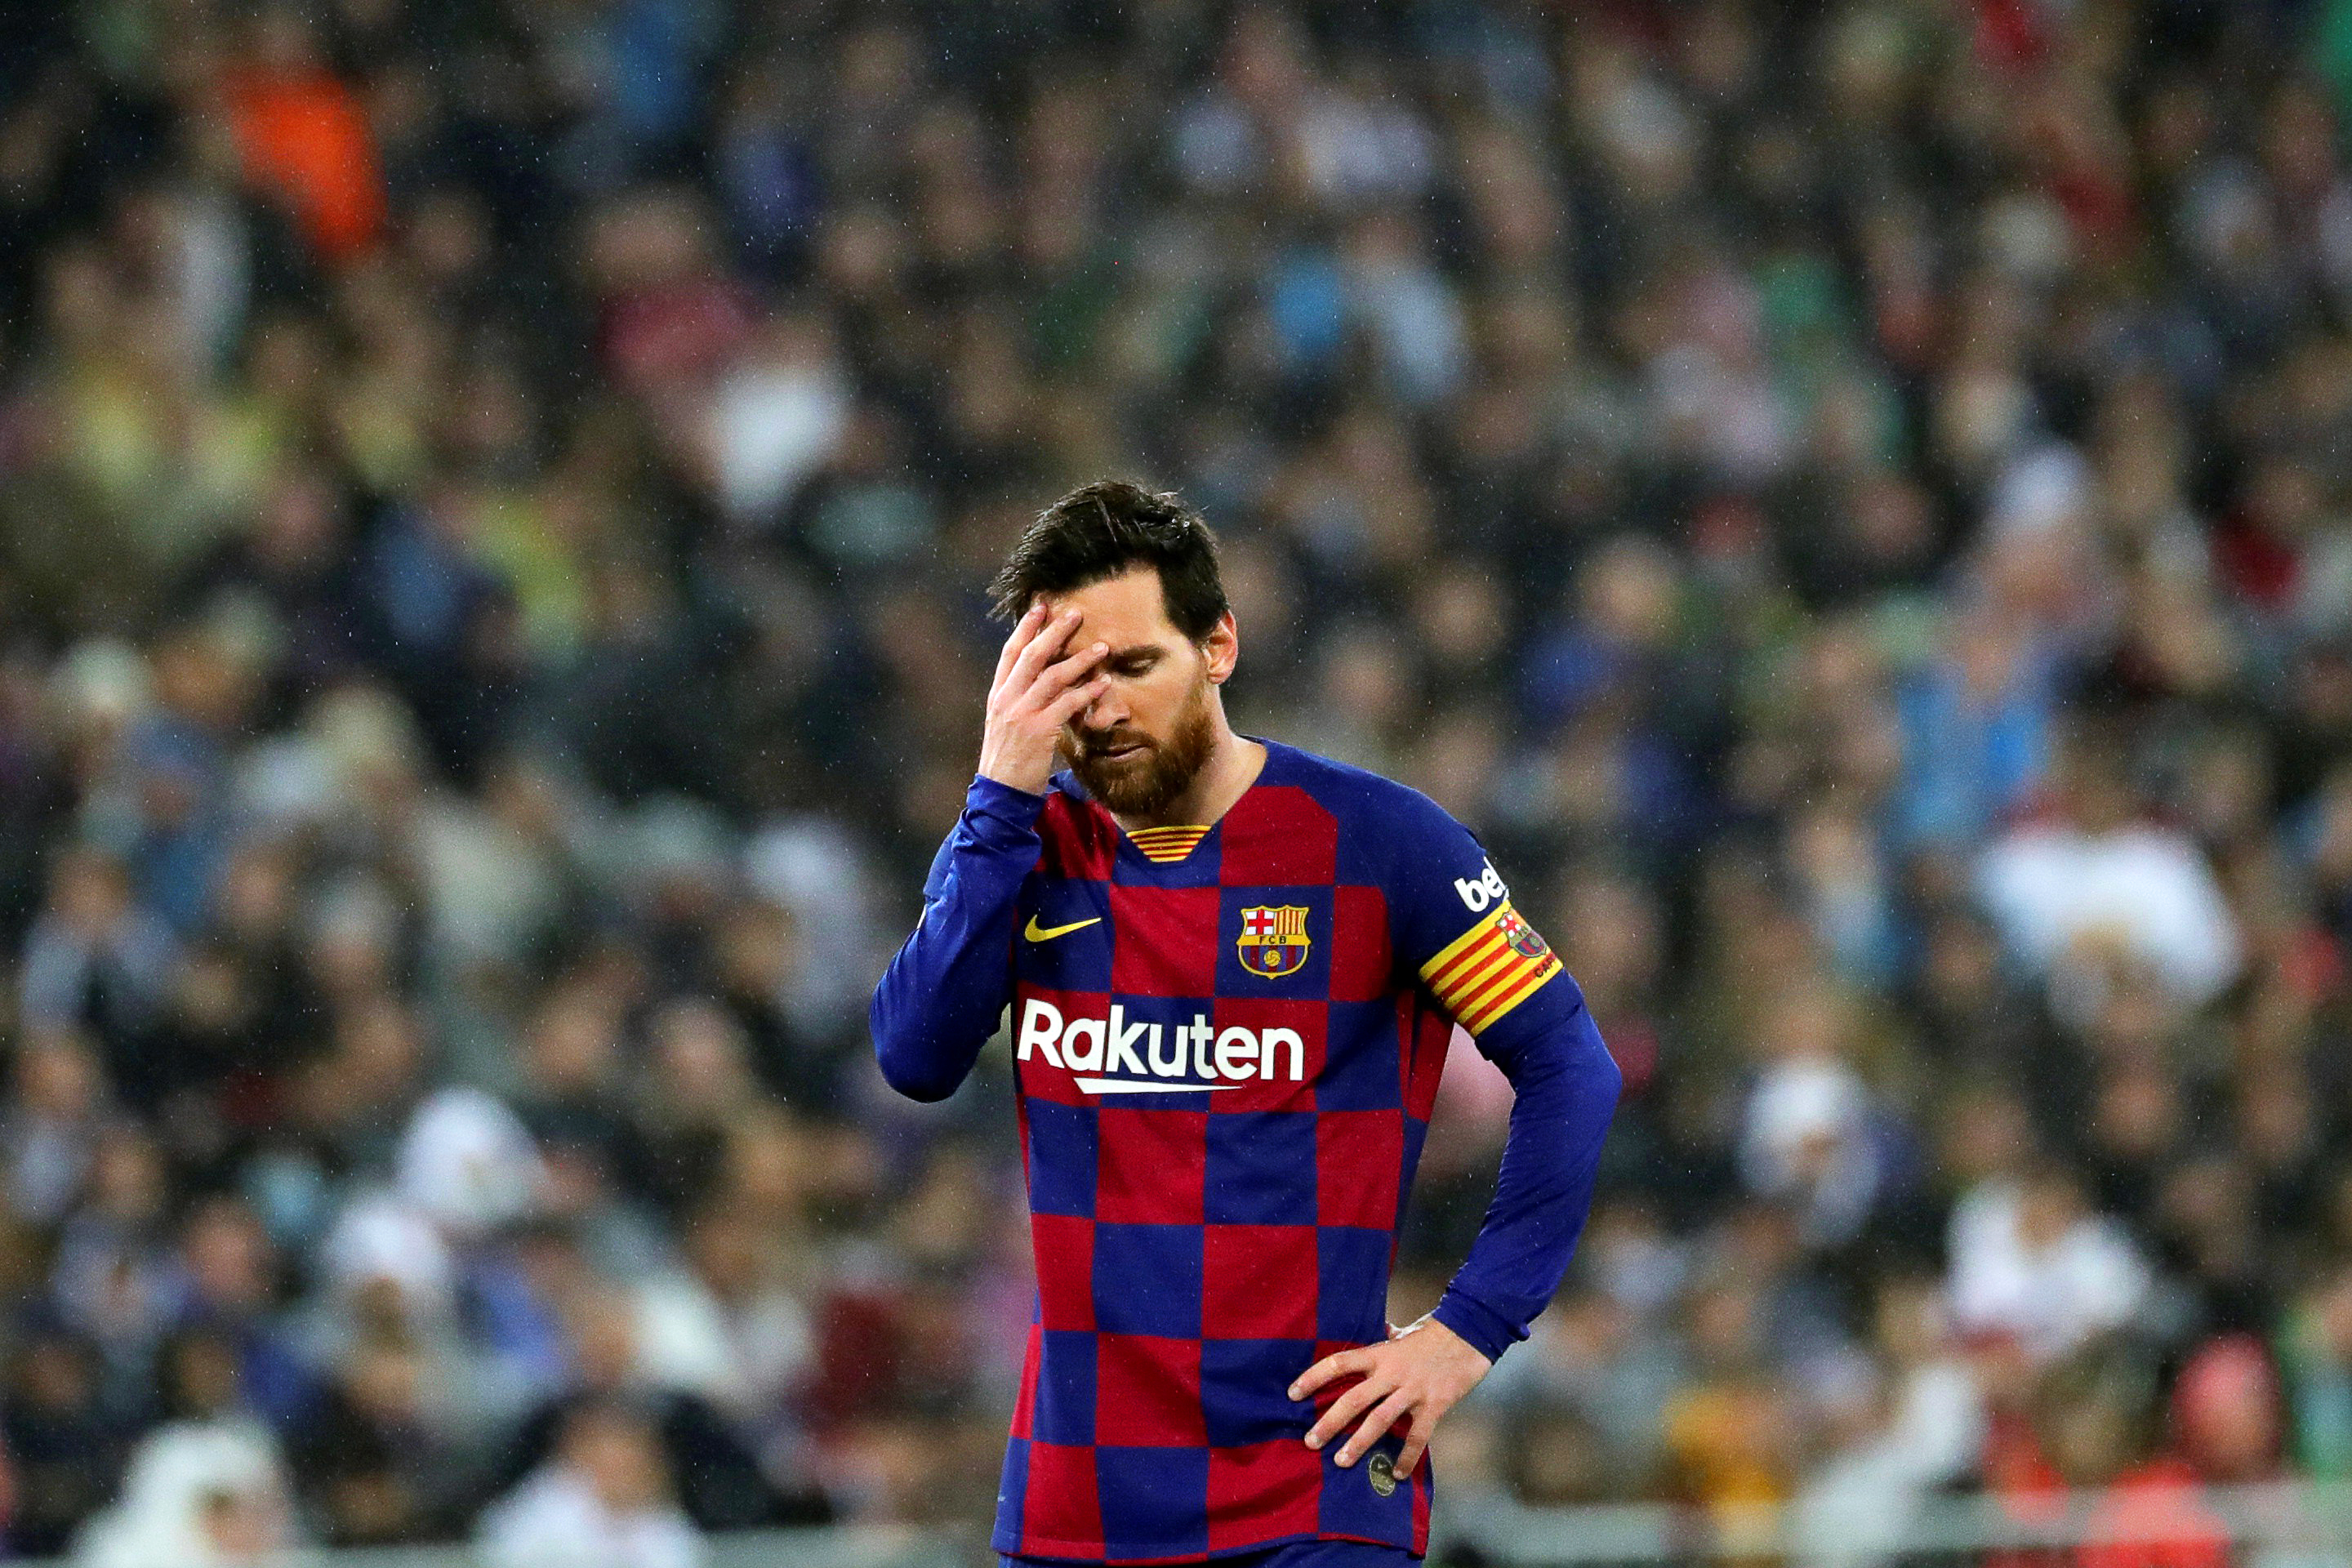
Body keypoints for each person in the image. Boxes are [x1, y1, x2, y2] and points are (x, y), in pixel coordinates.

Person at [870, 481, 1623, 1566]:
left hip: (1310, 1489)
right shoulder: (1020, 846)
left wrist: (1470, 1329)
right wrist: (997, 796)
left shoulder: (1377, 843)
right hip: (1076, 1500)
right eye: (1069, 678)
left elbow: (1569, 1065)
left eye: (1135, 666)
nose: (1103, 710)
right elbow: (915, 1057)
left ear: (1217, 645)